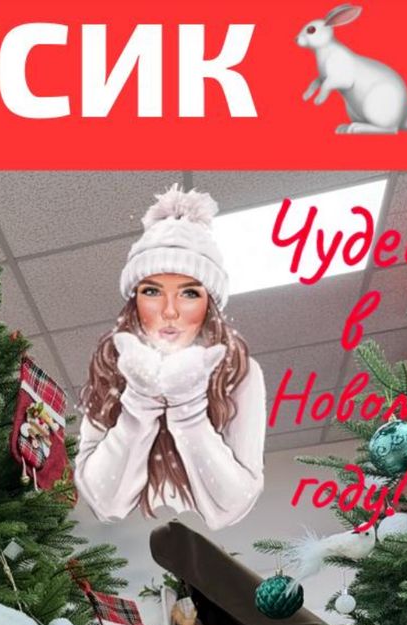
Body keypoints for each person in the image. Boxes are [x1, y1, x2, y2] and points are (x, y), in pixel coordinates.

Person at [76, 185, 265, 531]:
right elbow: (104, 501)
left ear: (209, 305)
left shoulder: (239, 371)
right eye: (152, 291)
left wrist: (189, 407)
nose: (169, 311)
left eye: (189, 293)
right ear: (135, 302)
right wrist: (138, 400)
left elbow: (235, 501)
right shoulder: (112, 366)